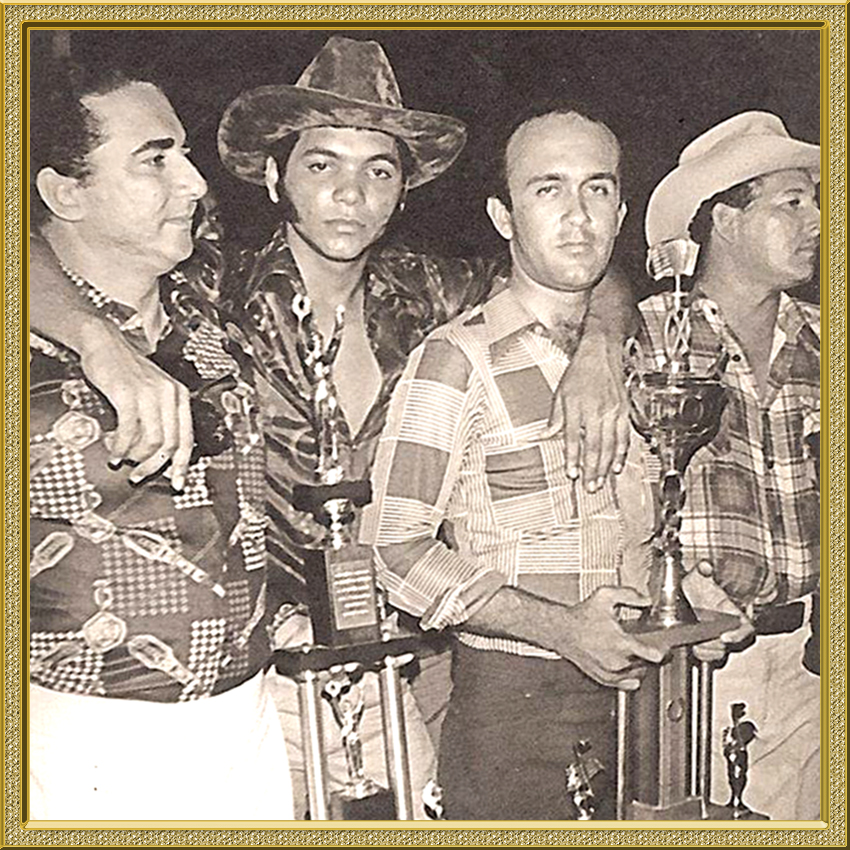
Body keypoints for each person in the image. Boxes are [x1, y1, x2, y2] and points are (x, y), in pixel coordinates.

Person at [29, 38, 636, 818]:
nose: (351, 194)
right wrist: (97, 340)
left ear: (404, 191)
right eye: (321, 165)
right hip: (254, 672)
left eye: (379, 170)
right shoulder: (206, 283)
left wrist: (599, 347)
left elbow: (577, 267)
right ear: (273, 177)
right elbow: (33, 244)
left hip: (398, 665)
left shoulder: (435, 290)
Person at [361, 106, 666, 820]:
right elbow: (391, 549)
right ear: (503, 216)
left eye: (597, 189)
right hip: (517, 706)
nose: (577, 215)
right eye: (547, 188)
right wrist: (560, 628)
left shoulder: (647, 353)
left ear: (621, 213)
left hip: (650, 698)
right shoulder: (455, 359)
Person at [28, 61, 293, 819]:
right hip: (80, 740)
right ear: (65, 194)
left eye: (184, 153)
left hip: (246, 724)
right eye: (155, 159)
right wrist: (95, 340)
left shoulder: (214, 319)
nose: (195, 183)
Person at [640, 111, 821, 819]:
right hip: (698, 663)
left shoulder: (826, 340)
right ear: (725, 220)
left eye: (816, 202)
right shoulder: (650, 340)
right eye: (791, 203)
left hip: (814, 656)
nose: (817, 222)